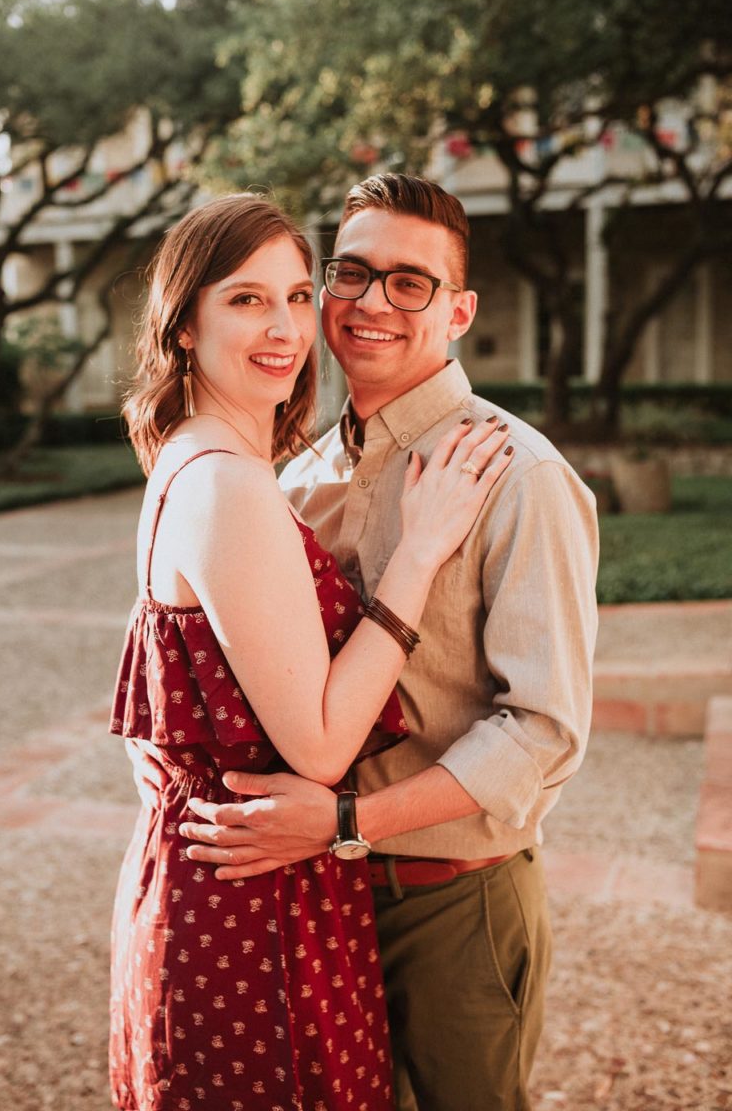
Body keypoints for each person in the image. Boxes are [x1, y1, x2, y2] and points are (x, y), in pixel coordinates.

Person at [160, 174, 600, 1111]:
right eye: (352, 274)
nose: (372, 304)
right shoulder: (297, 473)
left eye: (411, 283)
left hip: (455, 901)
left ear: (461, 310)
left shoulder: (518, 474)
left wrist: (350, 824)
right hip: (315, 896)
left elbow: (543, 732)